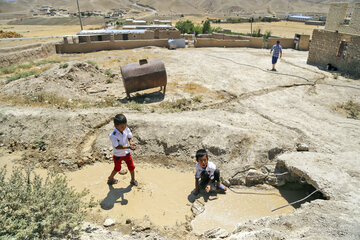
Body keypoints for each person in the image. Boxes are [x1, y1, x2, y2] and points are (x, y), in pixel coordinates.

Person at [108, 113, 138, 186]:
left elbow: (129, 136)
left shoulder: (126, 129)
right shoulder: (113, 135)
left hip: (126, 153)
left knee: (131, 166)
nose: (124, 128)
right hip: (118, 154)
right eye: (122, 127)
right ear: (116, 126)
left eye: (125, 125)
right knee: (117, 168)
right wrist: (128, 147)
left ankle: (133, 180)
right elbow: (117, 147)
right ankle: (110, 178)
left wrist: (130, 143)